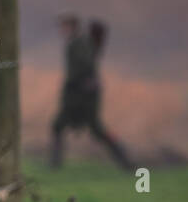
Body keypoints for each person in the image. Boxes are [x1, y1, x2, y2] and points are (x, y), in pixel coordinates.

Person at [50, 16, 133, 170]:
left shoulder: (79, 43)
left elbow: (86, 65)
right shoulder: (77, 42)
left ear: (72, 26)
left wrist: (77, 85)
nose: (62, 29)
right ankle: (55, 164)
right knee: (60, 126)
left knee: (93, 130)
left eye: (64, 26)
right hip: (80, 94)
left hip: (83, 96)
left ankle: (124, 158)